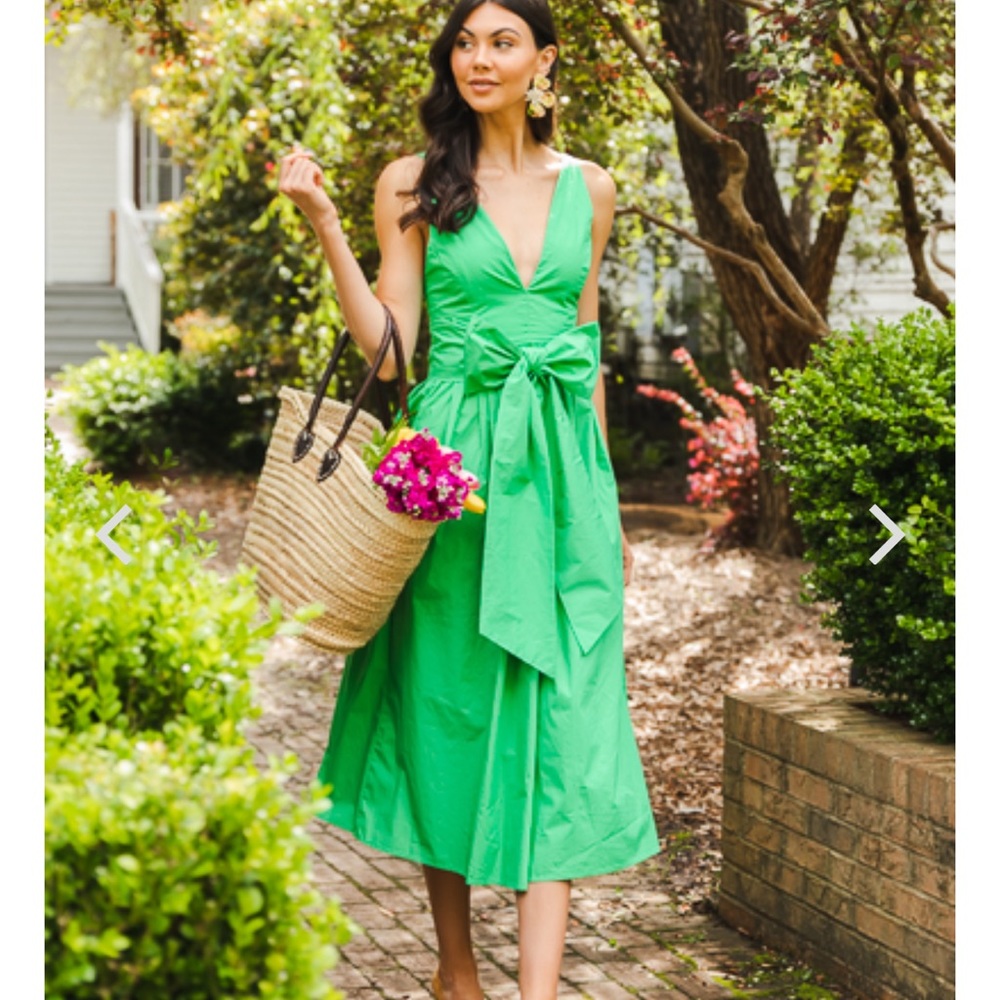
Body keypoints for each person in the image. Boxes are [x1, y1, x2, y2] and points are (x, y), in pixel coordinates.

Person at [277, 2, 659, 997]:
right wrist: (326, 224)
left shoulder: (593, 188)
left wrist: (605, 502)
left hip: (563, 479)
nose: (478, 59)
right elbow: (393, 352)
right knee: (448, 710)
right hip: (453, 478)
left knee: (563, 717)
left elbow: (582, 353)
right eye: (464, 41)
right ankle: (456, 970)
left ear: (544, 61)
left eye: (501, 41)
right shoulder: (413, 183)